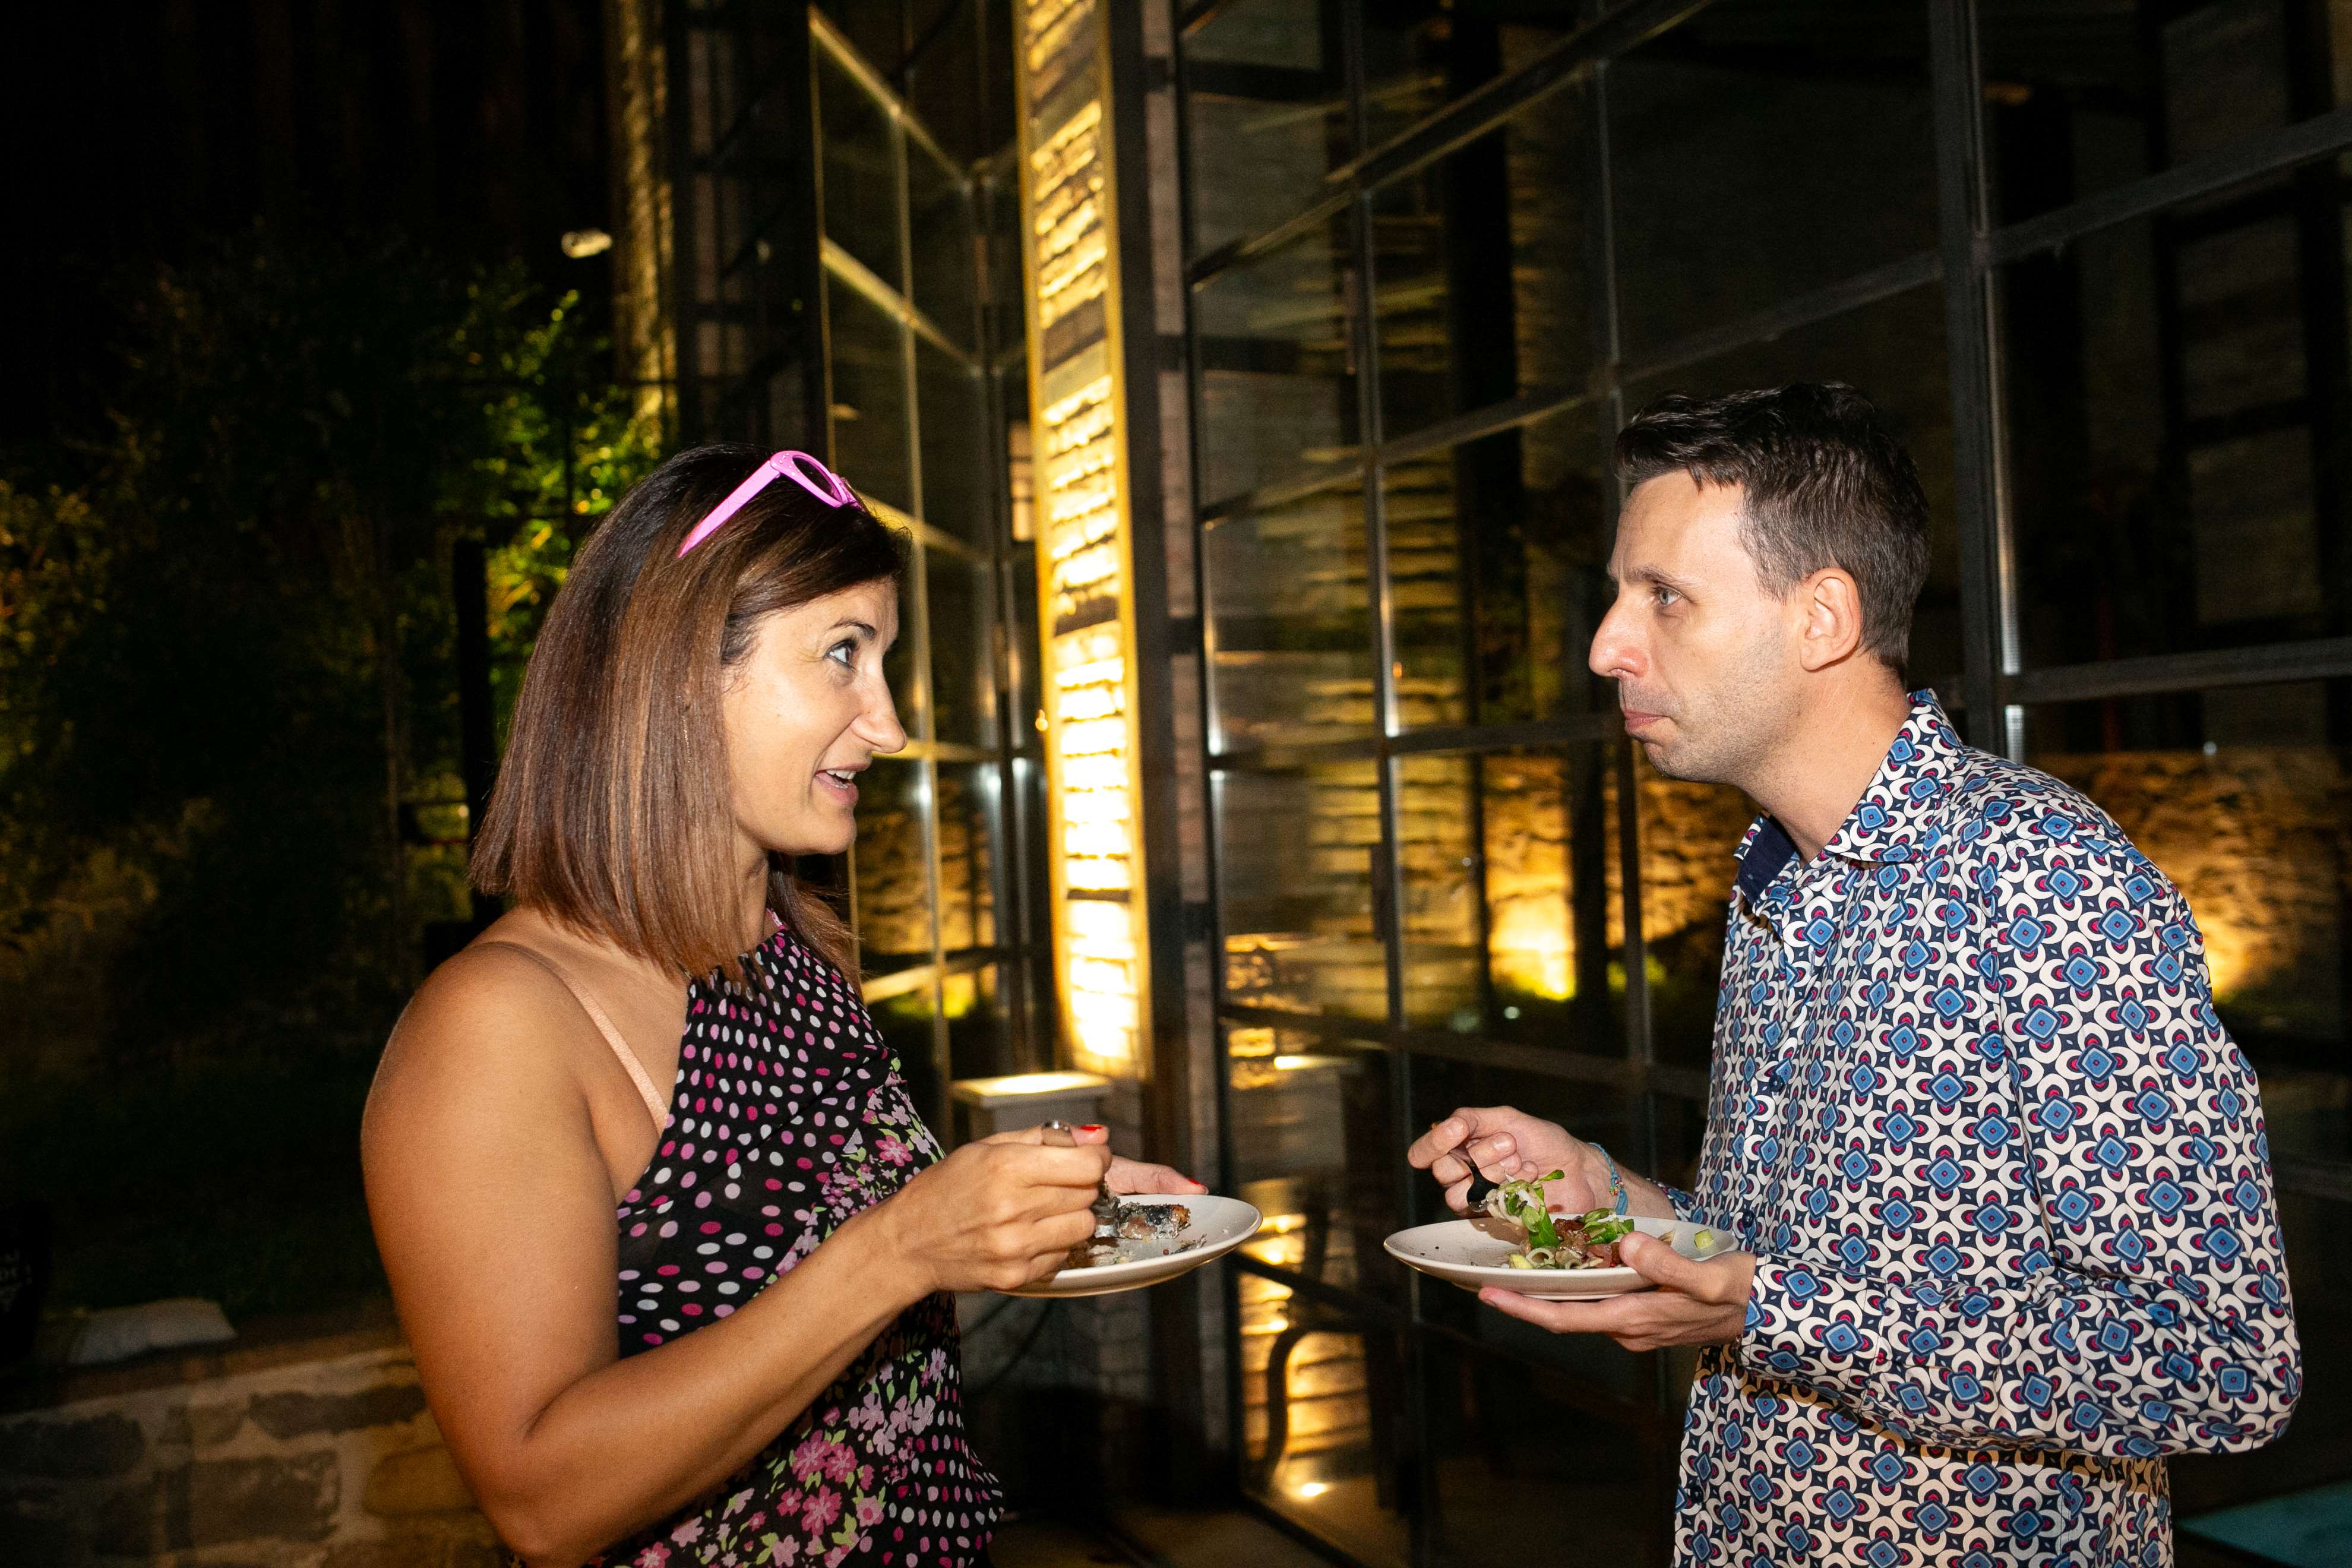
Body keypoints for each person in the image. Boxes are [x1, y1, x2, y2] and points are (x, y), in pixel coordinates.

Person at [1407, 385, 2299, 1565]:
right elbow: (1785, 1255)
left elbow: (2221, 1367)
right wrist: (1612, 1197)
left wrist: (1776, 1314)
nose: (1606, 646)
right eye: (1622, 593)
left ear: (1822, 617)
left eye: (1665, 596)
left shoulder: (2042, 875)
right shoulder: (1776, 880)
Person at [362, 446, 1201, 1568]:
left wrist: (1027, 1210)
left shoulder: (789, 955)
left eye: (883, 661)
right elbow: (541, 1499)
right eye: (844, 654)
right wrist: (903, 1248)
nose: (889, 725)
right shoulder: (499, 1024)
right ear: (678, 674)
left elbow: (836, 1252)